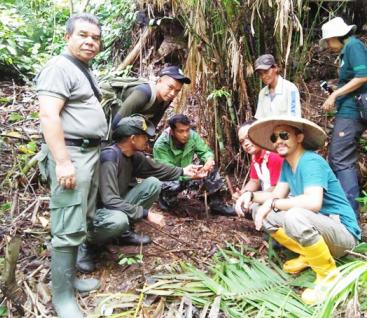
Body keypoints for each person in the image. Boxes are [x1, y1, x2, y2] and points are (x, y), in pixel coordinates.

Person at [236, 116, 360, 304]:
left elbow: (313, 202)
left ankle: (330, 278)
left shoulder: (311, 161)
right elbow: (275, 195)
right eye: (274, 138)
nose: (278, 141)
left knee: (295, 215)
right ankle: (308, 255)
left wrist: (273, 204)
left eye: (284, 135)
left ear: (299, 137)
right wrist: (250, 196)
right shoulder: (288, 164)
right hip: (321, 232)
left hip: (343, 234)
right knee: (261, 211)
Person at [36, 13, 105, 318]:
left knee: (80, 217)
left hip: (88, 154)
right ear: (67, 37)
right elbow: (49, 116)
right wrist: (63, 162)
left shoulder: (82, 69)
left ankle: (71, 281)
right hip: (72, 154)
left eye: (95, 37)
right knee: (67, 220)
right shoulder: (59, 68)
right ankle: (62, 298)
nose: (90, 41)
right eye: (83, 35)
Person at [76, 115, 201, 273]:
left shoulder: (133, 156)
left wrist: (184, 171)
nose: (147, 141)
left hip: (114, 207)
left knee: (153, 184)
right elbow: (110, 200)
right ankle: (87, 243)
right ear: (133, 139)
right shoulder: (109, 157)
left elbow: (157, 169)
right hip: (96, 214)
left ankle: (122, 234)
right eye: (144, 137)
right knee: (118, 220)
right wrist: (145, 213)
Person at [320, 17, 367, 218]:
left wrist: (335, 95)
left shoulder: (353, 46)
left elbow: (363, 76)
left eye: (328, 41)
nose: (327, 46)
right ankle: (342, 209)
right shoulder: (348, 49)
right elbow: (354, 80)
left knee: (340, 159)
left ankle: (349, 215)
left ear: (335, 37)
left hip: (353, 111)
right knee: (338, 157)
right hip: (348, 109)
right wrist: (336, 90)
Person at [153, 114, 235, 216]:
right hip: (170, 177)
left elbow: (205, 152)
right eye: (180, 131)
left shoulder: (192, 136)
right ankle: (164, 199)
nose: (185, 134)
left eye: (187, 130)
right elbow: (167, 171)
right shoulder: (161, 145)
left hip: (189, 173)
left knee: (210, 168)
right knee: (173, 194)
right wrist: (190, 175)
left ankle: (216, 204)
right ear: (172, 131)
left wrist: (208, 160)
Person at [111, 65, 191, 129]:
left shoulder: (166, 99)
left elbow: (152, 125)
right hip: (111, 119)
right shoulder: (143, 93)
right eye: (170, 87)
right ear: (159, 81)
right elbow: (117, 123)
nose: (173, 93)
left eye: (177, 91)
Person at [233, 120, 284, 212]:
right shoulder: (255, 157)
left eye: (248, 137)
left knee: (253, 208)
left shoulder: (273, 155)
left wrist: (253, 198)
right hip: (269, 195)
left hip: (282, 198)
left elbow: (277, 187)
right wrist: (243, 193)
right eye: (242, 141)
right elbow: (254, 181)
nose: (246, 143)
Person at [254, 54, 301, 119]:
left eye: (266, 71)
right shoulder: (262, 93)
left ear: (275, 68)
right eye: (260, 74)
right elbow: (259, 119)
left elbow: (295, 118)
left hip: (287, 128)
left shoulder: (290, 89)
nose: (263, 76)